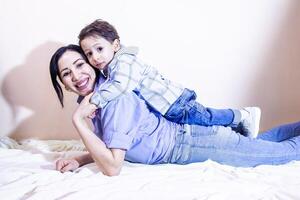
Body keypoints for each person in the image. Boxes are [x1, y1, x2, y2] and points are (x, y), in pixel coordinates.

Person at [50, 45, 300, 176]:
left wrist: (78, 122)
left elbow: (113, 167)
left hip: (191, 144)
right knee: (265, 145)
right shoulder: (99, 99)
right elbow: (116, 144)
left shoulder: (113, 98)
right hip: (192, 140)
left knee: (282, 154)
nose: (76, 76)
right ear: (63, 84)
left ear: (93, 64)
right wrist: (80, 159)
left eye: (80, 64)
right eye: (66, 73)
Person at [78, 19, 261, 138]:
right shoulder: (110, 69)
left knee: (206, 118)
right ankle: (238, 131)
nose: (95, 57)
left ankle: (243, 115)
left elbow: (121, 86)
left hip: (174, 101)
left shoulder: (123, 62)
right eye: (89, 54)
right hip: (166, 108)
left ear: (115, 45)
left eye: (99, 49)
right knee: (203, 129)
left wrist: (94, 102)